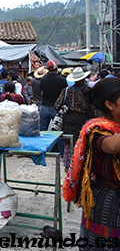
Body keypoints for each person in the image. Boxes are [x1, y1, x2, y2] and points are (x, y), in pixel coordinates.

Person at [63, 78, 120, 248]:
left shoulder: (68, 91)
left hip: (70, 123)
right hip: (108, 202)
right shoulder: (98, 129)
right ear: (109, 105)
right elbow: (110, 146)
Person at [54, 67, 95, 169]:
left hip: (69, 122)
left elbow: (57, 105)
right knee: (84, 145)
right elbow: (93, 109)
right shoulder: (88, 92)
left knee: (69, 145)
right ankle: (82, 165)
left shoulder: (67, 91)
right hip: (85, 122)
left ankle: (69, 166)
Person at [39, 60, 68, 131]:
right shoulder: (62, 80)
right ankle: (57, 142)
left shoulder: (43, 80)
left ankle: (44, 142)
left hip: (45, 106)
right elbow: (65, 94)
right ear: (56, 68)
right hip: (57, 108)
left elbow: (42, 93)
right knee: (58, 130)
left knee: (42, 131)